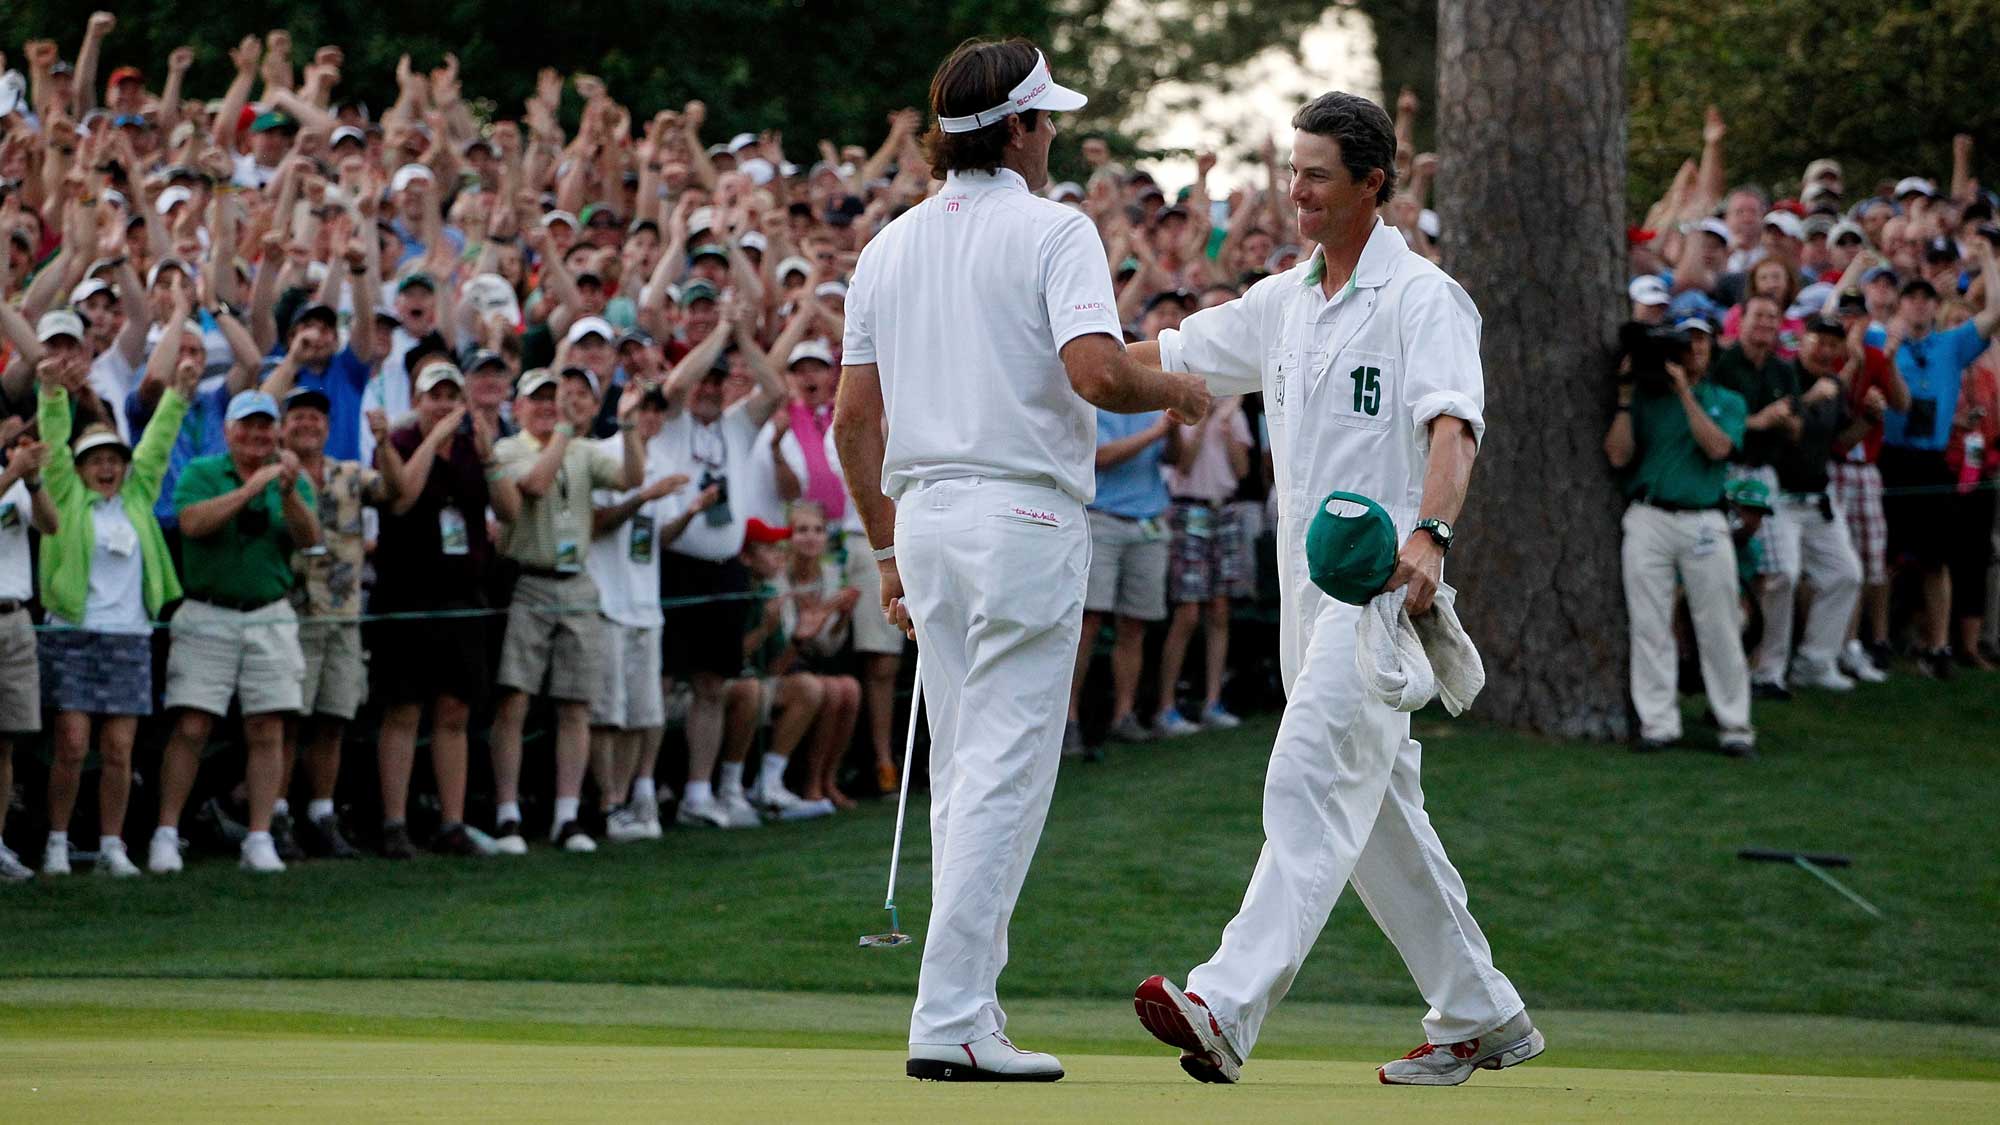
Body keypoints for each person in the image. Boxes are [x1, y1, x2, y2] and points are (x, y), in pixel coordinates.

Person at [1126, 91, 1539, 1087]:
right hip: (1303, 616)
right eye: (1292, 170)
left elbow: (1453, 428)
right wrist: (1044, 370)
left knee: (1306, 781)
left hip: (1380, 605)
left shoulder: (1421, 299)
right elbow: (1157, 361)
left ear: (1373, 185)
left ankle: (1221, 1004)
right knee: (1377, 824)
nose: (1295, 192)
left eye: (1316, 174)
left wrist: (1430, 536)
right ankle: (1479, 1012)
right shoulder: (1281, 301)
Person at [832, 37, 1208, 1081]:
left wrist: (881, 549)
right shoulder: (1056, 230)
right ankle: (949, 1014)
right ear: (1020, 129)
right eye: (1047, 122)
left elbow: (851, 423)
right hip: (1022, 522)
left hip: (926, 523)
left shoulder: (886, 247)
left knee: (964, 773)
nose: (1053, 138)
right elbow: (1094, 372)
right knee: (999, 773)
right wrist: (1173, 390)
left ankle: (966, 1009)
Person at [152, 389, 322, 875]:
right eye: (247, 426)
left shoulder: (290, 479)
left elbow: (310, 541)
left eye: (266, 426)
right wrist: (250, 490)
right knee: (192, 725)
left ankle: (260, 836)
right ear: (228, 431)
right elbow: (191, 524)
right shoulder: (203, 473)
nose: (257, 435)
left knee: (268, 727)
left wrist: (287, 492)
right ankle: (167, 831)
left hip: (269, 611)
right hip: (208, 611)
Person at [488, 365, 643, 854]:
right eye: (537, 399)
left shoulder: (579, 448)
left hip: (576, 583)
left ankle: (567, 815)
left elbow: (629, 478)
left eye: (552, 399)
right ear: (518, 407)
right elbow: (533, 485)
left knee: (575, 704)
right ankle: (508, 813)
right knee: (515, 700)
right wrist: (562, 432)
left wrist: (631, 428)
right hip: (529, 582)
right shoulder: (507, 449)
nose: (547, 406)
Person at [370, 361, 519, 858]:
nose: (443, 405)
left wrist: (490, 457)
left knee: (454, 709)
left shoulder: (474, 445)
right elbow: (402, 499)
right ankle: (394, 822)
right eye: (434, 396)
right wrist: (434, 440)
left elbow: (510, 511)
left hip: (463, 594)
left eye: (451, 396)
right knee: (404, 708)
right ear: (417, 399)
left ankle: (452, 823)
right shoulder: (404, 442)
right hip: (409, 591)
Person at [1603, 318, 1754, 753]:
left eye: (1700, 342)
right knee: (1650, 622)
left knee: (1719, 623)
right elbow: (1617, 455)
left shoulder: (1727, 400)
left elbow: (1719, 448)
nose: (1692, 350)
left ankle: (1735, 724)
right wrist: (1627, 398)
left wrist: (1685, 392)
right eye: (1685, 343)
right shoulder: (1647, 398)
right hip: (1650, 514)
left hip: (1704, 518)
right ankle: (1658, 723)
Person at [277, 387, 402, 858]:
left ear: (328, 428)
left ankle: (322, 814)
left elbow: (394, 490)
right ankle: (276, 815)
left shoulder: (349, 474)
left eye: (316, 417)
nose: (308, 424)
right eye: (299, 416)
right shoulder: (275, 474)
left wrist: (384, 443)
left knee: (332, 719)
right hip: (292, 614)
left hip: (344, 616)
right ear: (285, 425)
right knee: (288, 722)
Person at [1877, 243, 2000, 677]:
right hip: (1889, 458)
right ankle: (1877, 640)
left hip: (1932, 461)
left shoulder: (1950, 344)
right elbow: (1840, 319)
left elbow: (1993, 316)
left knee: (1935, 559)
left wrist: (1988, 261)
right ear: (1900, 302)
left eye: (1926, 297)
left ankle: (1939, 646)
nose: (1919, 304)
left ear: (1935, 304)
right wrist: (1860, 270)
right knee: (1885, 555)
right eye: (1911, 296)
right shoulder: (1880, 337)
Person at [587, 382, 689, 843]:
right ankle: (606, 804)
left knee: (643, 715)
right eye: (642, 408)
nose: (651, 417)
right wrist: (645, 496)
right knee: (609, 714)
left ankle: (625, 801)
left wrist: (692, 512)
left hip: (646, 604)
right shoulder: (604, 453)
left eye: (656, 410)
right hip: (608, 600)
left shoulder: (663, 462)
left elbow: (658, 539)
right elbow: (600, 524)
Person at [1752, 317, 1864, 693]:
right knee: (1782, 575)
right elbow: (1782, 425)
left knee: (1846, 573)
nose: (1826, 350)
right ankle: (1768, 669)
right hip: (1779, 493)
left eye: (1835, 344)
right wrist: (1809, 401)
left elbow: (1841, 441)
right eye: (1819, 341)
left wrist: (1870, 418)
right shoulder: (1783, 374)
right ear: (1803, 339)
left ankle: (1815, 661)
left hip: (1818, 497)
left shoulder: (1835, 384)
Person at [1067, 406, 1178, 749]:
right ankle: (1067, 720)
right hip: (1101, 519)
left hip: (1148, 521)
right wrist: (1157, 432)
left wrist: (1173, 431)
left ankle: (1124, 715)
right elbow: (1099, 458)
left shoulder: (1154, 400)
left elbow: (1178, 460)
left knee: (1135, 625)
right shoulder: (1094, 400)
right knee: (1088, 622)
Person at [1154, 395, 1254, 736]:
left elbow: (1242, 470)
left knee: (1220, 609)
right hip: (1188, 510)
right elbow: (1182, 465)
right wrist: (1202, 423)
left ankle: (1212, 701)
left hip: (1224, 509)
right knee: (1188, 612)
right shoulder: (1180, 412)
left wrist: (1225, 426)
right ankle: (1165, 707)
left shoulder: (1232, 415)